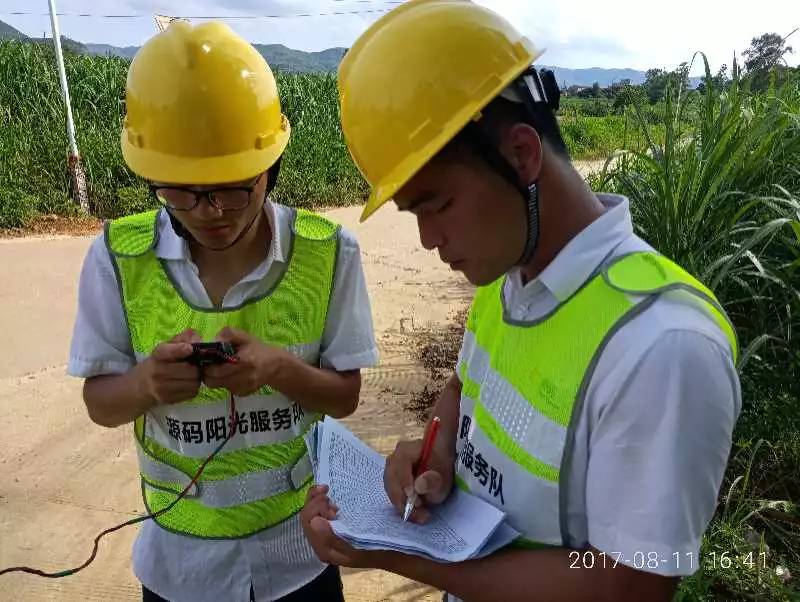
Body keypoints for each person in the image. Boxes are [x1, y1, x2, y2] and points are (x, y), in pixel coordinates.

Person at [300, 1, 741, 601]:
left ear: (521, 154)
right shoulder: (506, 279)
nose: (427, 240)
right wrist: (436, 450)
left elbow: (630, 579)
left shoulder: (664, 345)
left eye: (438, 205)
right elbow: (464, 387)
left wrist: (399, 554)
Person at [68, 21, 378, 602]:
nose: (210, 211)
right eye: (181, 191)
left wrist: (277, 369)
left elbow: (345, 397)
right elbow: (99, 404)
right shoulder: (117, 257)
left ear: (270, 169)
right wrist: (147, 383)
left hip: (299, 559)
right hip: (181, 569)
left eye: (234, 189)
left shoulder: (329, 252)